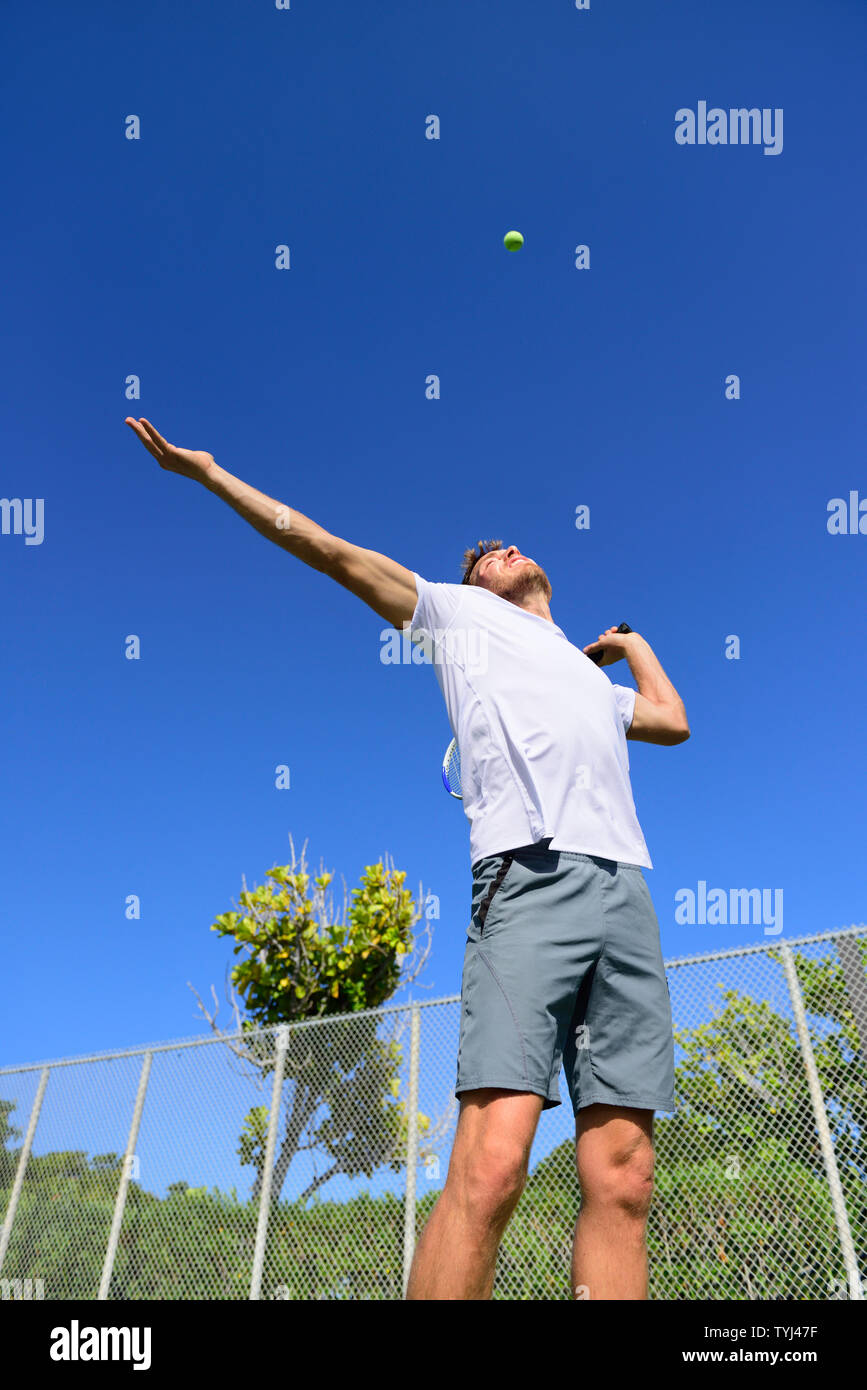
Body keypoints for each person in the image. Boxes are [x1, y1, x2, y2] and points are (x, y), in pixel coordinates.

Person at [125, 416, 690, 1301]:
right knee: (493, 1164)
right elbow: (325, 548)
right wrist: (209, 475)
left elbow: (670, 721)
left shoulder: (591, 680)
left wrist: (627, 644)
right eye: (479, 555)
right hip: (527, 880)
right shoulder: (459, 620)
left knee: (623, 1173)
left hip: (623, 891)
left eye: (503, 546)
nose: (493, 549)